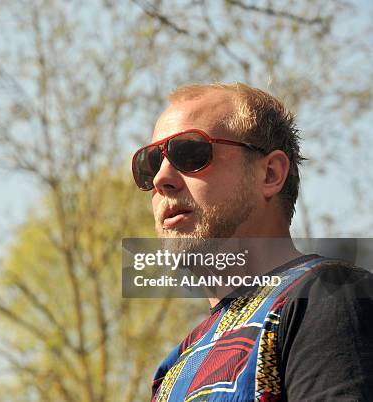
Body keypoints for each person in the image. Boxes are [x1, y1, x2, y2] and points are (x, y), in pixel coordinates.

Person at [131, 83, 373, 401]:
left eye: (190, 153)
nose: (162, 179)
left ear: (270, 174)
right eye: (150, 164)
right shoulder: (175, 365)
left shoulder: (328, 296)